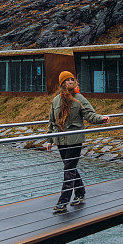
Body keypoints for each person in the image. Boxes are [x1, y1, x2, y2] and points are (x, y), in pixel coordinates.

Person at [46, 71, 109, 214]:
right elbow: (52, 121)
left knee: (68, 170)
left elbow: (89, 114)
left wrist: (101, 119)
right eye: (67, 80)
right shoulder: (56, 100)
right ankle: (80, 193)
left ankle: (63, 202)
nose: (70, 82)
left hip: (75, 139)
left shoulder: (80, 99)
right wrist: (49, 140)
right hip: (61, 140)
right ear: (62, 83)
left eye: (72, 79)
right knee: (71, 169)